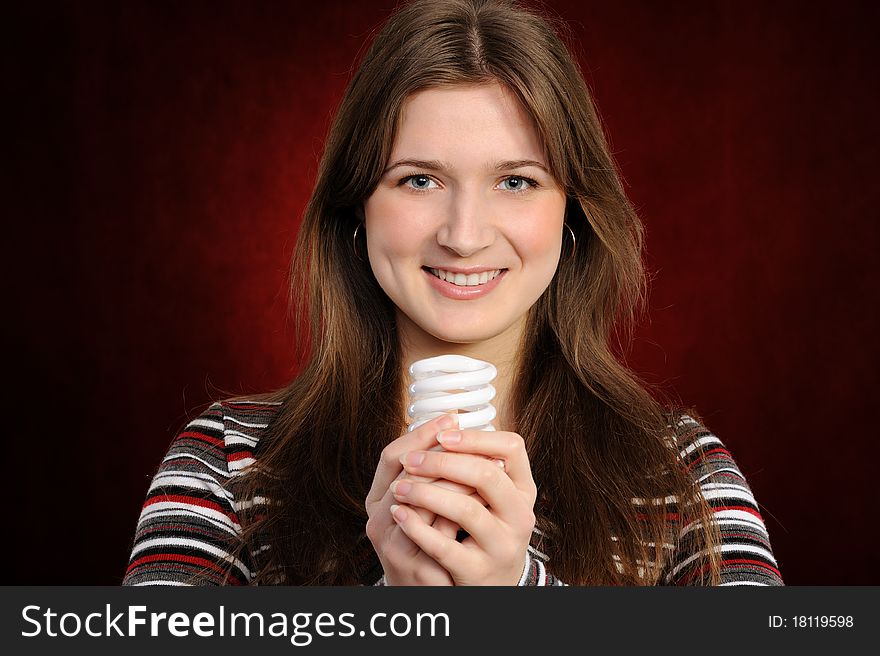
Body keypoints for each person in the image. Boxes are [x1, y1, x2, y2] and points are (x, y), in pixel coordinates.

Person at [123, 0, 783, 586]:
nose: (464, 237)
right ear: (358, 211)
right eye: (418, 180)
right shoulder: (230, 467)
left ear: (572, 214)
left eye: (516, 181)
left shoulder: (681, 478)